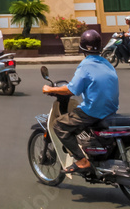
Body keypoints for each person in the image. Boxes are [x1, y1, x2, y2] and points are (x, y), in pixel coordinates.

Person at [43, 28, 119, 175]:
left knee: (59, 125)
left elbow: (72, 90)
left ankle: (82, 161)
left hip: (93, 111)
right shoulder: (107, 63)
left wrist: (50, 89)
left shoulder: (85, 65)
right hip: (111, 109)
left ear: (82, 48)